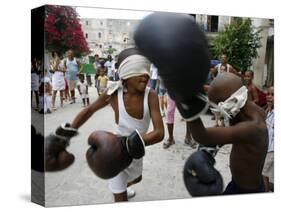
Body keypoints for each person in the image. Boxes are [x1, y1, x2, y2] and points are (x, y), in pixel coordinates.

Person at [49, 48, 164, 202]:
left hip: (136, 149)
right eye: (138, 70)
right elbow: (89, 109)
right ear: (125, 73)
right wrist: (67, 134)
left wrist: (130, 145)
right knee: (120, 197)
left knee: (137, 178)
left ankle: (124, 184)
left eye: (147, 70)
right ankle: (120, 188)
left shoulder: (151, 95)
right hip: (113, 149)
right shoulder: (113, 93)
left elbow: (159, 132)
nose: (145, 75)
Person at [185, 72, 268, 194]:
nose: (219, 114)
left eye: (219, 108)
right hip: (243, 184)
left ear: (231, 104)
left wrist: (187, 108)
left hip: (244, 192)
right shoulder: (255, 112)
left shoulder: (251, 128)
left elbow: (201, 136)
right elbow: (235, 134)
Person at [262, 86, 274, 192]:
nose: (269, 97)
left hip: (272, 149)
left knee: (264, 173)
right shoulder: (268, 111)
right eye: (268, 94)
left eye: (273, 95)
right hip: (268, 146)